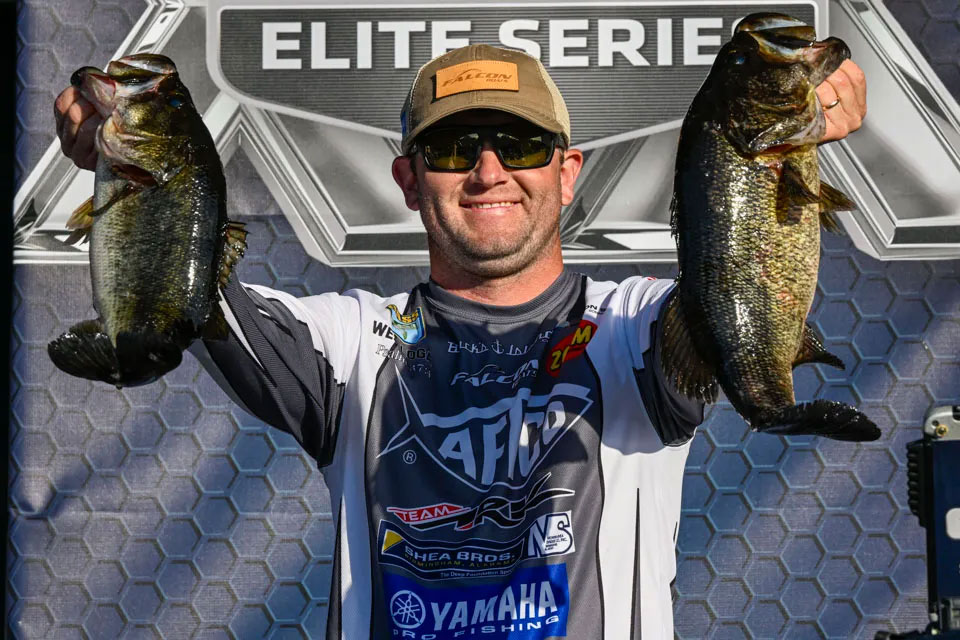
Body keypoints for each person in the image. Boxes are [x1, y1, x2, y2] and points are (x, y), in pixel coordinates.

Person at [55, 43, 866, 639]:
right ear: (408, 180)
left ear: (567, 172)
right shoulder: (355, 341)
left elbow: (734, 273)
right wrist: (143, 168)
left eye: (520, 145)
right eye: (450, 148)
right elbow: (190, 288)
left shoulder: (632, 325)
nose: (487, 170)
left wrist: (775, 144)